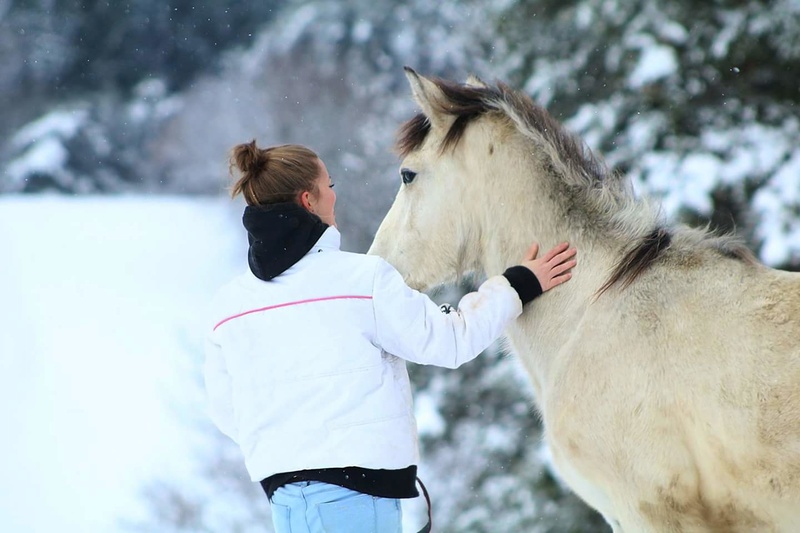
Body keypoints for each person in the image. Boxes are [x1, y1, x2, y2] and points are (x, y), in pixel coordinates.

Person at [203, 140, 577, 533]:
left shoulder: (228, 306)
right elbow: (449, 342)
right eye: (330, 184)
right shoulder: (362, 281)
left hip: (288, 505)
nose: (335, 194)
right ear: (308, 200)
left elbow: (228, 411)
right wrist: (518, 284)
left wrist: (294, 445)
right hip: (357, 502)